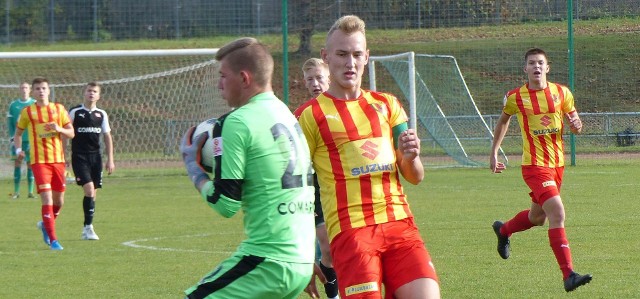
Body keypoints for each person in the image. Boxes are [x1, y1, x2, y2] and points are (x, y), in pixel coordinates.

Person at [296, 15, 441, 298]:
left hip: (401, 226)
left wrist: (410, 157)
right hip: (352, 235)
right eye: (341, 54)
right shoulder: (308, 116)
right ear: (326, 57)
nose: (350, 63)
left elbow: (415, 176)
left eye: (356, 54)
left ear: (366, 57)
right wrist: (301, 252)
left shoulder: (388, 104)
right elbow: (292, 188)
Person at [179, 37, 316, 299]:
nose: (219, 85)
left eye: (223, 76)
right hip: (300, 258)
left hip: (269, 260)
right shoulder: (285, 113)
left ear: (244, 78)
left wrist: (193, 168)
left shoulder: (235, 122)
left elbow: (225, 203)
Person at [489, 48, 592, 292]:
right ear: (525, 69)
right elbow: (504, 121)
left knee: (538, 217)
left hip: (557, 165)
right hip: (534, 166)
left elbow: (575, 124)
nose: (536, 67)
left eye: (540, 63)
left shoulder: (562, 93)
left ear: (548, 67)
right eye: (532, 63)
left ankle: (503, 230)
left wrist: (577, 125)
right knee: (557, 212)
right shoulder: (515, 97)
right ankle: (568, 275)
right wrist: (494, 151)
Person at [14, 77, 75, 251]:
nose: (41, 91)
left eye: (44, 88)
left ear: (49, 90)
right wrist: (19, 151)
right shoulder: (28, 112)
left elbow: (71, 133)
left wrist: (59, 129)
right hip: (39, 162)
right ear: (33, 92)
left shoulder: (59, 109)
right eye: (38, 89)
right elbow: (18, 134)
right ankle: (54, 241)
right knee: (47, 198)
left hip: (58, 161)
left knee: (59, 201)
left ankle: (45, 225)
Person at [297, 58, 339, 299]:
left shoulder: (344, 110)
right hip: (316, 192)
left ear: (329, 78)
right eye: (309, 80)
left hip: (343, 189)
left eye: (319, 78)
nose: (315, 83)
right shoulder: (302, 115)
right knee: (329, 250)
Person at [67, 82, 115, 241]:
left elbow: (107, 137)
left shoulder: (101, 114)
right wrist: (62, 155)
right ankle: (89, 227)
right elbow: (65, 133)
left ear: (99, 95)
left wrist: (111, 160)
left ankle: (86, 228)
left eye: (94, 91)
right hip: (79, 156)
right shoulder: (75, 112)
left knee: (93, 194)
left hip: (96, 157)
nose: (91, 93)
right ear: (84, 93)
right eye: (89, 91)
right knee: (89, 190)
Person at [6, 82, 36, 199]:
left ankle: (30, 192)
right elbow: (10, 123)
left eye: (26, 88)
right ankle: (17, 192)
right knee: (17, 163)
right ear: (19, 89)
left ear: (29, 90)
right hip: (18, 140)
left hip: (31, 140)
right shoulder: (14, 105)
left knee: (30, 164)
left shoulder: (34, 103)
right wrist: (12, 137)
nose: (24, 90)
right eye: (22, 87)